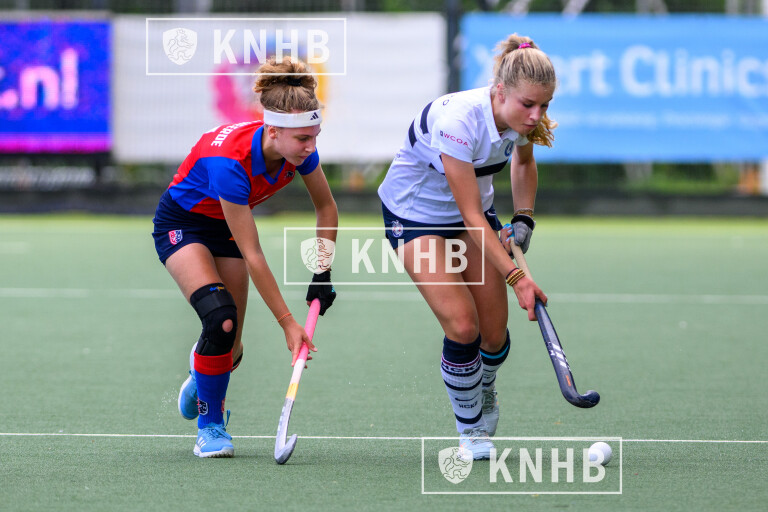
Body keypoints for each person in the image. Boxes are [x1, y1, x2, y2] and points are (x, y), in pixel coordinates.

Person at [377, 34, 555, 460]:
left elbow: (524, 162)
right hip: (415, 216)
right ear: (500, 91)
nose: (536, 116)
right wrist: (518, 278)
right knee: (462, 326)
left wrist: (524, 219)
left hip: (469, 215)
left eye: (544, 105)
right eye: (528, 105)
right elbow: (472, 216)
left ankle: (484, 387)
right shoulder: (459, 121)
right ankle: (471, 429)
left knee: (493, 336)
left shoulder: (521, 119)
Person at [152, 57, 338, 458]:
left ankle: (199, 374)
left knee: (231, 348)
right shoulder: (229, 163)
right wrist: (288, 323)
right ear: (273, 131)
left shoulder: (300, 151)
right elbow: (253, 254)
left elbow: (326, 208)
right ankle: (210, 427)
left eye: (314, 136)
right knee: (221, 319)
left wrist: (322, 272)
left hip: (227, 226)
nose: (311, 147)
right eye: (303, 139)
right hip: (183, 224)